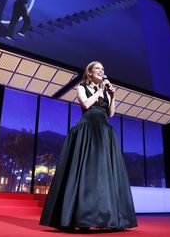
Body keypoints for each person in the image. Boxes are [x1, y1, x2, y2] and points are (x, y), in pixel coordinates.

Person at [39, 61, 137, 232]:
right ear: (90, 72)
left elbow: (111, 114)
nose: (102, 71)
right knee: (85, 171)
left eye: (103, 69)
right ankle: (79, 217)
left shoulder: (105, 91)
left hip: (104, 132)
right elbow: (85, 105)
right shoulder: (81, 87)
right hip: (87, 130)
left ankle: (107, 217)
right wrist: (99, 91)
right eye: (98, 69)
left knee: (104, 172)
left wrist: (112, 97)